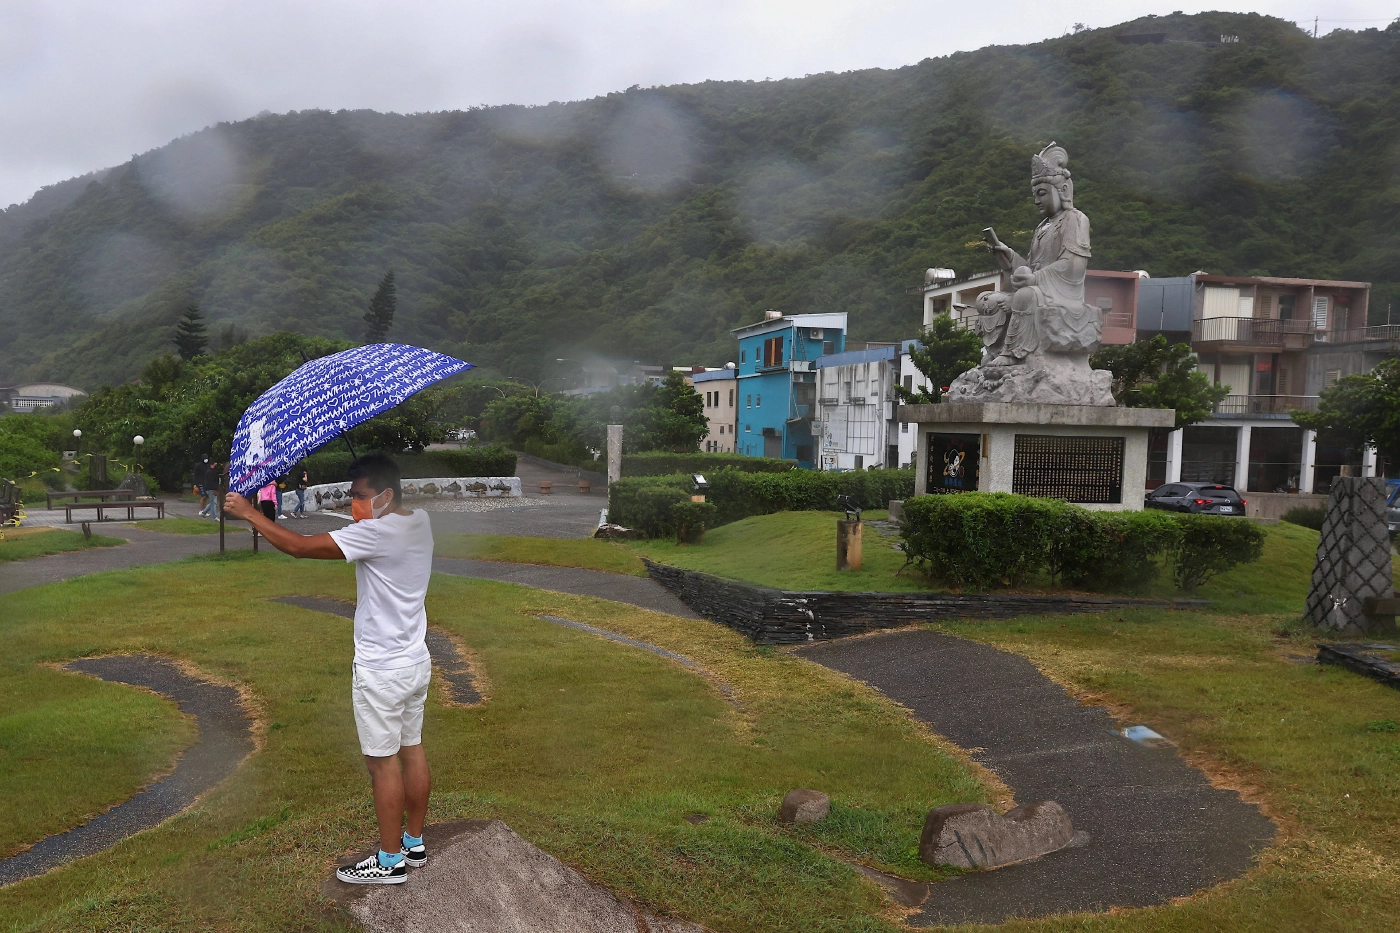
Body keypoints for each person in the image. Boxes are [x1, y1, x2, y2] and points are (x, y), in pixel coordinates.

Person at [224, 454, 433, 885]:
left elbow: (299, 548)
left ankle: (390, 862)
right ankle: (413, 842)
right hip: (414, 659)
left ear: (386, 495)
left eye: (359, 496)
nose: (353, 503)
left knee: (382, 764)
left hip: (381, 668)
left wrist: (249, 513)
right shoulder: (420, 521)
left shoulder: (375, 533)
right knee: (411, 749)